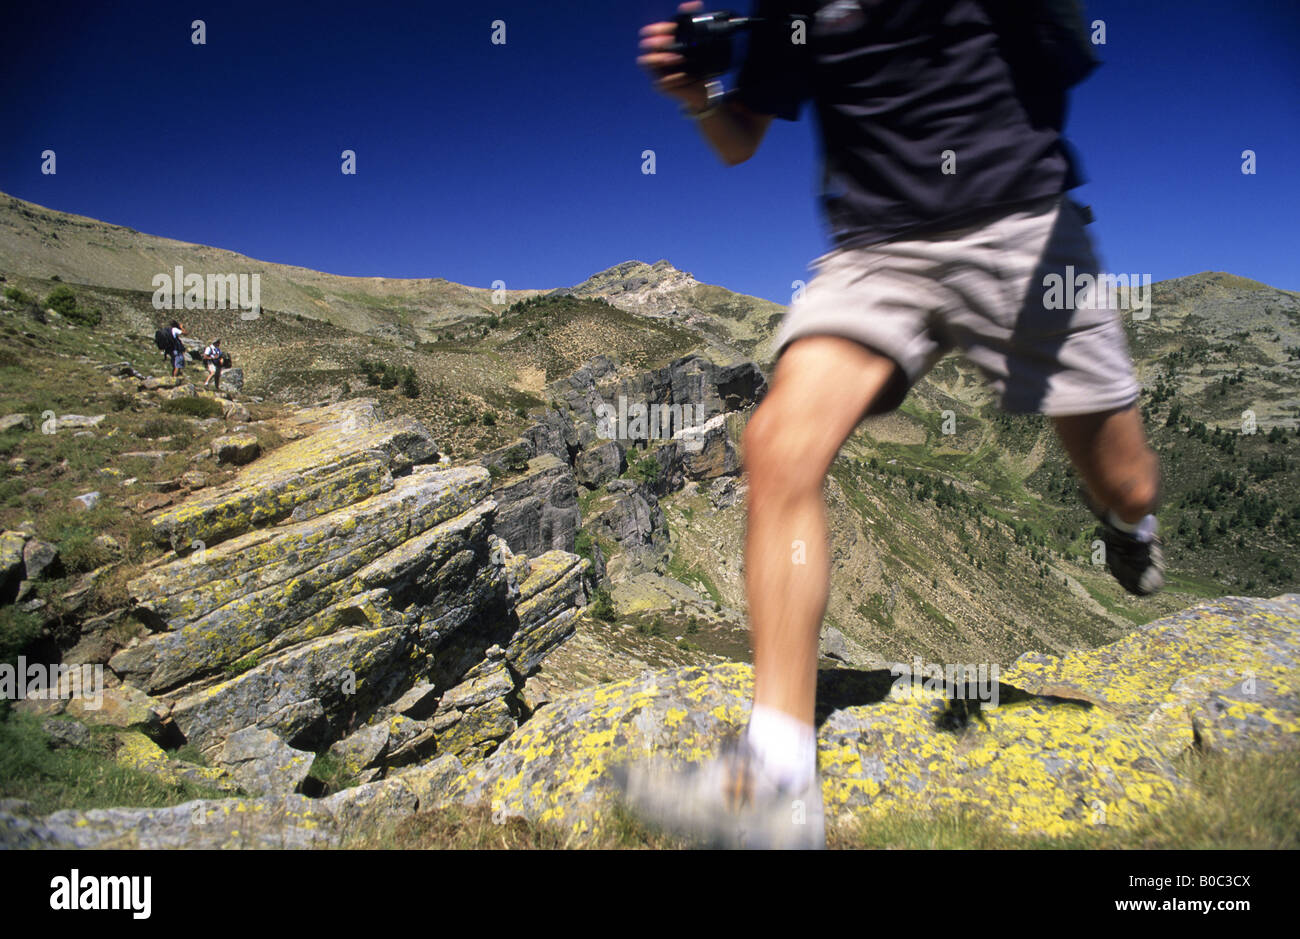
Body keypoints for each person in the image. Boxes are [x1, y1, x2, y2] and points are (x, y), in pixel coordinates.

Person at [622, 0, 1163, 848]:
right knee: (775, 446)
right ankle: (777, 779)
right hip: (877, 252)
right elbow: (740, 137)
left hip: (1020, 219)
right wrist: (695, 91)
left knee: (1125, 481)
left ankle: (1130, 527)